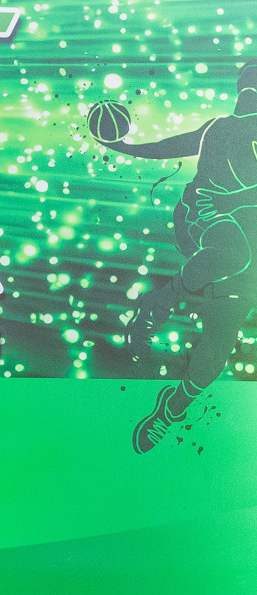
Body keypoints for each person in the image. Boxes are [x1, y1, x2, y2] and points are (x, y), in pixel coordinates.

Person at [94, 62, 257, 451]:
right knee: (231, 250)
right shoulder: (221, 128)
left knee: (215, 350)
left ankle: (171, 409)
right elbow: (173, 145)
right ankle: (159, 303)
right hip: (205, 221)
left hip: (244, 250)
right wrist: (122, 147)